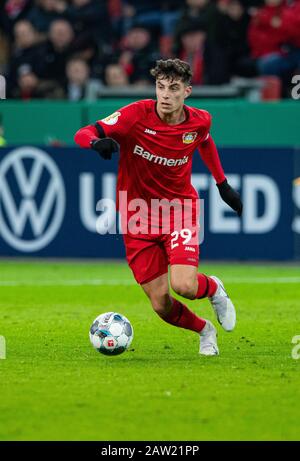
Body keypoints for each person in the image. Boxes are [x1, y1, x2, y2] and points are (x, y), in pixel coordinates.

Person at [74, 58, 243, 356]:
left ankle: (213, 288)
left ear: (186, 92)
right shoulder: (134, 116)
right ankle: (205, 330)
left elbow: (204, 140)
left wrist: (222, 184)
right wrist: (94, 144)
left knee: (185, 286)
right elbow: (85, 132)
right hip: (136, 216)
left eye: (173, 88)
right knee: (161, 303)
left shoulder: (200, 120)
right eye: (160, 87)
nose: (165, 95)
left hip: (179, 211)